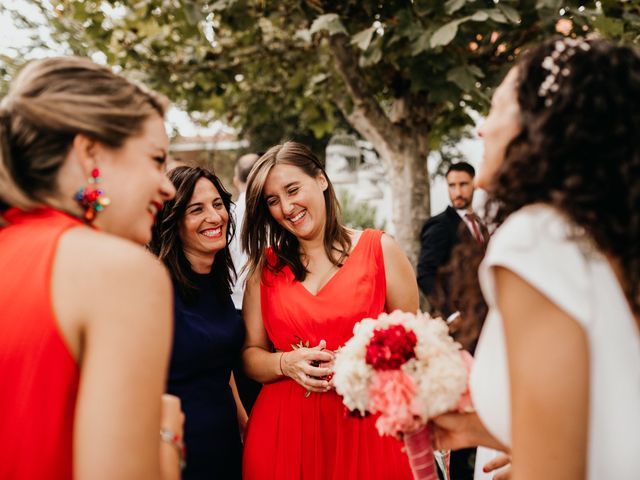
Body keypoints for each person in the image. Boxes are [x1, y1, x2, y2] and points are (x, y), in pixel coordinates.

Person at [432, 38, 640, 480]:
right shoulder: (603, 241)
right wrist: (479, 430)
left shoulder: (536, 239)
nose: (481, 129)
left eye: (497, 108)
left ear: (542, 125)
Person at [0, 56, 184, 479]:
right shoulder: (120, 273)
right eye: (156, 159)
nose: (168, 186)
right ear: (90, 152)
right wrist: (166, 437)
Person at [240, 141, 419, 480]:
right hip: (283, 435)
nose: (287, 207)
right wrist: (285, 363)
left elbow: (416, 347)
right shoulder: (264, 268)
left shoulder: (380, 250)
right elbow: (250, 356)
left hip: (367, 430)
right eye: (273, 201)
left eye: (293, 190)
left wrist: (357, 361)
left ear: (321, 179)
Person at [149, 166, 247, 480]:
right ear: (174, 222)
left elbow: (221, 364)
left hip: (227, 444)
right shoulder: (155, 290)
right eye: (196, 209)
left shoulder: (217, 285)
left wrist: (245, 425)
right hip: (178, 451)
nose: (214, 217)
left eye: (218, 205)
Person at [229, 152, 262, 413]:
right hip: (264, 313)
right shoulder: (271, 215)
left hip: (232, 311)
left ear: (235, 179)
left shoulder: (225, 216)